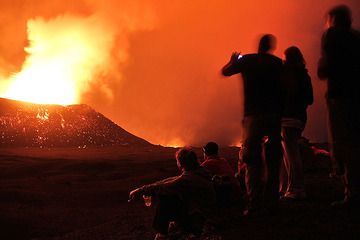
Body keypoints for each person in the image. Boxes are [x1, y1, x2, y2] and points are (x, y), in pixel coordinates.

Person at [222, 34, 283, 216]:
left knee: (252, 160)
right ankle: (272, 202)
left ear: (259, 46)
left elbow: (225, 72)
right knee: (273, 160)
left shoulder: (248, 60)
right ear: (272, 47)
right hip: (273, 115)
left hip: (253, 115)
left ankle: (255, 203)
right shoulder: (278, 64)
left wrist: (231, 61)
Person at [317, 5, 360, 217]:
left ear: (333, 20)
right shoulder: (357, 37)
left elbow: (324, 69)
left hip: (340, 98)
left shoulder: (332, 36)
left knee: (343, 144)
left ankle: (351, 194)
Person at [128, 147, 216, 240]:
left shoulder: (189, 178)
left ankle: (162, 233)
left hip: (200, 218)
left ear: (181, 163)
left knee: (166, 197)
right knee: (171, 194)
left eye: (177, 161)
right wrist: (142, 189)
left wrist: (140, 191)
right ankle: (169, 228)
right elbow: (169, 181)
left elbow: (165, 186)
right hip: (203, 212)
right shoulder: (198, 172)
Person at [279, 46, 313, 200]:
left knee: (291, 155)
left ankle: (296, 189)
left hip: (287, 119)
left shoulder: (286, 76)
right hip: (299, 118)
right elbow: (310, 99)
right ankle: (287, 188)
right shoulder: (305, 76)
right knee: (289, 154)